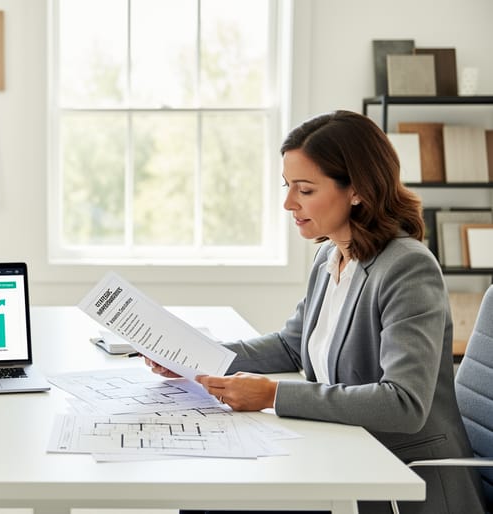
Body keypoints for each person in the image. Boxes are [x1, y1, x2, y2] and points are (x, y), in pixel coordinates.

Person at [146, 110, 486, 514]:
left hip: (405, 479)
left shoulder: (407, 267)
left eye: (305, 190)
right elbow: (293, 346)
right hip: (347, 452)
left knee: (215, 502)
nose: (289, 203)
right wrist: (194, 357)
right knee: (206, 493)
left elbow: (403, 403)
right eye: (288, 186)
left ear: (357, 190)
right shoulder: (331, 254)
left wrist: (273, 395)